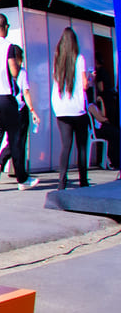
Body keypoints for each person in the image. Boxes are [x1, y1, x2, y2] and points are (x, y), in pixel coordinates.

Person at [0, 41, 32, 190]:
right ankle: (22, 179)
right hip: (11, 102)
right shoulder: (16, 66)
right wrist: (32, 109)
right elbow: (22, 86)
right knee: (16, 141)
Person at [50, 25, 93, 191]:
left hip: (61, 109)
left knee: (66, 146)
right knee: (81, 146)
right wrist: (90, 77)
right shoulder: (79, 59)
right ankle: (83, 181)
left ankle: (62, 182)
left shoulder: (57, 60)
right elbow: (85, 84)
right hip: (77, 109)